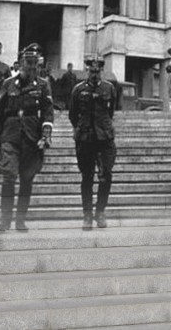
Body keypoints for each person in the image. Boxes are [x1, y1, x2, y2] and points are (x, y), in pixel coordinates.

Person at [0, 43, 54, 232]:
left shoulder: (43, 85)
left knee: (27, 179)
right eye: (28, 63)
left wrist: (46, 135)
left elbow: (48, 113)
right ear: (21, 63)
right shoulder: (7, 85)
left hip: (32, 138)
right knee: (8, 178)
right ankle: (5, 220)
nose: (32, 68)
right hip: (10, 136)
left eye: (35, 64)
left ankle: (20, 220)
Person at [68, 55, 117, 230]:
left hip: (104, 139)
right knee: (87, 177)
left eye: (97, 71)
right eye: (91, 71)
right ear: (87, 70)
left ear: (101, 71)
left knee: (106, 175)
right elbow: (73, 114)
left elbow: (110, 112)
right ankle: (87, 215)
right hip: (85, 139)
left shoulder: (109, 88)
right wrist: (82, 128)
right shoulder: (78, 89)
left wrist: (103, 128)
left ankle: (100, 212)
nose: (94, 74)